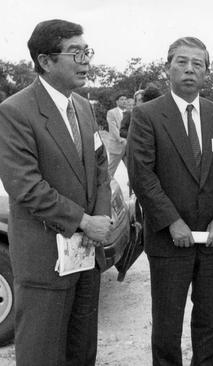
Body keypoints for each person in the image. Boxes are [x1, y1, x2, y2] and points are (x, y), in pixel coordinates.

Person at [0, 19, 112, 365]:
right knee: (43, 355)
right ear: (45, 61)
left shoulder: (83, 107)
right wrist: (83, 221)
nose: (86, 62)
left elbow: (101, 168)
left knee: (81, 353)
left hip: (86, 257)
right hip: (46, 261)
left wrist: (103, 217)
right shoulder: (15, 112)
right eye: (75, 53)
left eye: (87, 52)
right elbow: (26, 186)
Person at [128, 37, 213, 365]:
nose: (190, 69)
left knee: (209, 320)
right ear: (168, 68)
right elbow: (142, 176)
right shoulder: (147, 115)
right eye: (182, 62)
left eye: (198, 64)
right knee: (167, 324)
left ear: (207, 72)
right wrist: (172, 221)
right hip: (169, 240)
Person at [103, 91, 128, 177]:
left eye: (125, 99)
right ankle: (105, 189)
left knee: (132, 171)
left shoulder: (129, 112)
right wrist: (120, 139)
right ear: (117, 102)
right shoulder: (111, 112)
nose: (124, 101)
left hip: (128, 147)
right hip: (117, 146)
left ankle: (129, 190)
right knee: (110, 171)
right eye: (121, 99)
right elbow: (113, 128)